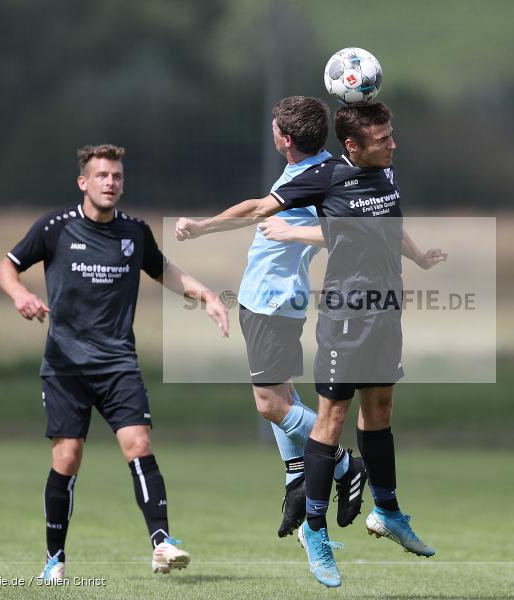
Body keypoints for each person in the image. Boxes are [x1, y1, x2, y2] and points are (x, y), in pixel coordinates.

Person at [176, 102, 446, 588]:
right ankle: (315, 527)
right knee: (326, 418)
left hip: (384, 308)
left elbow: (379, 223)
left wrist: (420, 257)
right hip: (344, 314)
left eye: (391, 135)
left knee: (378, 409)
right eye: (383, 137)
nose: (393, 143)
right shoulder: (327, 175)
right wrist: (207, 225)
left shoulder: (382, 174)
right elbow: (267, 209)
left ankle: (386, 511)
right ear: (352, 145)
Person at [0, 144, 229, 582]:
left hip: (117, 363)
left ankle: (161, 543)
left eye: (117, 176)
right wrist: (21, 295)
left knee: (138, 444)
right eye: (102, 175)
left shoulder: (135, 233)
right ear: (83, 182)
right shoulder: (54, 228)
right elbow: (5, 268)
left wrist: (208, 295)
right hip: (65, 366)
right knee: (68, 457)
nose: (110, 183)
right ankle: (54, 559)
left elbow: (166, 271)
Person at [226, 96, 368, 539]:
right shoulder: (312, 168)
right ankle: (296, 481)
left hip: (272, 301)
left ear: (285, 139)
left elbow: (339, 229)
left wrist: (201, 225)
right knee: (284, 396)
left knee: (270, 404)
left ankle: (345, 464)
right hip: (263, 300)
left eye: (274, 126)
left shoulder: (317, 176)